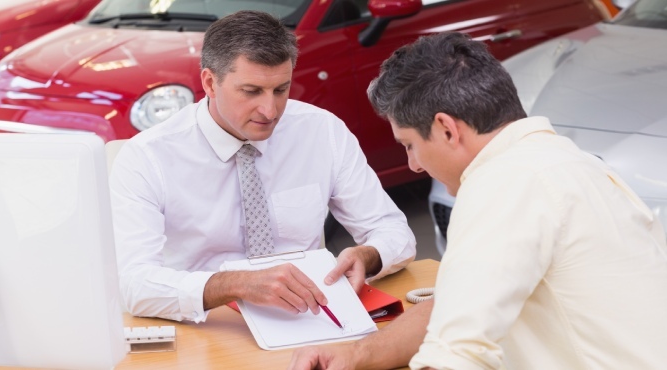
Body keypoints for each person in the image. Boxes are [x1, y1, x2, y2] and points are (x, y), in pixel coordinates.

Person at [289, 32, 667, 369]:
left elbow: (455, 356)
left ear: (446, 129)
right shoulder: (571, 163)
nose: (413, 165)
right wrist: (358, 355)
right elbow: (459, 304)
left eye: (410, 145)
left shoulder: (502, 185)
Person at [108, 10, 416, 323]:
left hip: (308, 318)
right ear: (210, 83)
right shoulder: (147, 157)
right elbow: (133, 284)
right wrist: (236, 284)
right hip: (210, 327)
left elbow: (395, 233)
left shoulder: (322, 131)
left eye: (281, 89)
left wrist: (368, 255)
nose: (270, 111)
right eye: (252, 91)